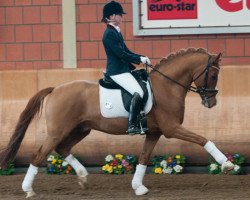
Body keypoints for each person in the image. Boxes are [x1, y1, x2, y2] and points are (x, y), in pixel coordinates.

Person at [101, 1, 151, 135]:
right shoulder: (109, 34)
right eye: (119, 15)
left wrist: (141, 57)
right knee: (138, 92)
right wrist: (138, 59)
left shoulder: (116, 31)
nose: (122, 17)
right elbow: (120, 54)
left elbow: (127, 50)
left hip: (123, 69)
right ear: (111, 16)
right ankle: (132, 124)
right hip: (116, 71)